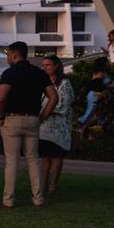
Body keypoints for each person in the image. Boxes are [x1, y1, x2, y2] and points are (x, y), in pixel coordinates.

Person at [0, 42, 57, 208]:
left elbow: (1, 97)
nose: (7, 58)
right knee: (33, 160)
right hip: (32, 119)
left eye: (8, 54)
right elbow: (53, 97)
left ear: (15, 55)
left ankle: (8, 200)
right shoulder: (39, 73)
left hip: (12, 119)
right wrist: (42, 116)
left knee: (12, 161)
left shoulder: (9, 73)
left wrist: (1, 116)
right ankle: (38, 198)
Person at [38, 55, 72, 196]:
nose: (45, 68)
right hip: (44, 126)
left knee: (57, 156)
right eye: (44, 65)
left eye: (48, 65)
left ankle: (53, 184)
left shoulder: (64, 84)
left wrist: (44, 113)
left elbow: (63, 105)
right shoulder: (42, 83)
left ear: (56, 66)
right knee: (45, 156)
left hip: (58, 128)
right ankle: (43, 183)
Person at [77, 58, 107, 127]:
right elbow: (101, 85)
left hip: (91, 93)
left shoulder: (95, 72)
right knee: (91, 112)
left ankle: (95, 126)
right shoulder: (102, 73)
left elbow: (92, 83)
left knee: (93, 112)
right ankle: (82, 124)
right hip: (95, 94)